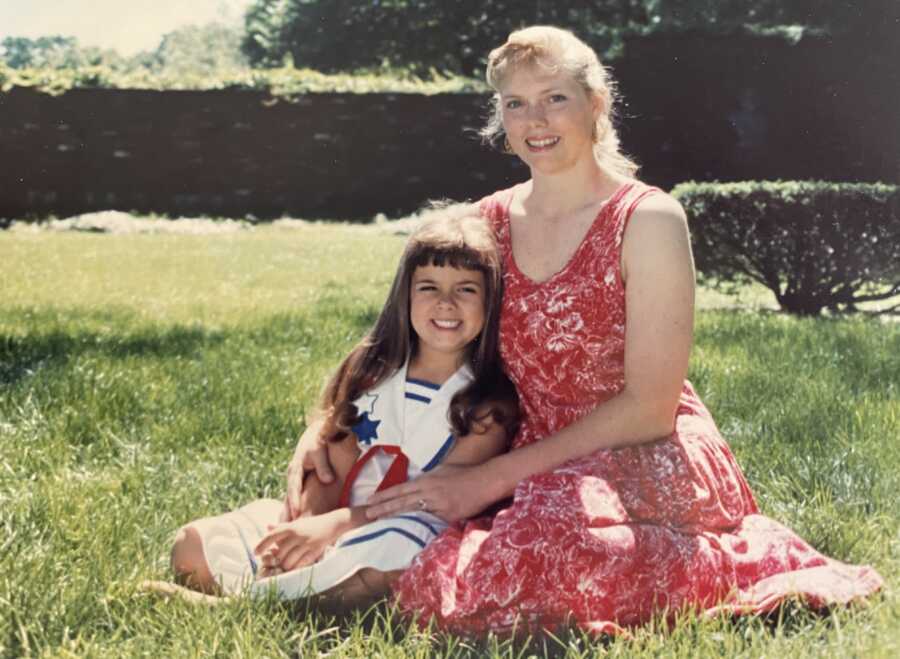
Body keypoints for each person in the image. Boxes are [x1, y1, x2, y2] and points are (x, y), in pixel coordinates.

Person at [287, 25, 883, 634]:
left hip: (641, 451)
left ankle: (288, 605)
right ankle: (301, 586)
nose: (533, 120)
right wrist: (326, 424)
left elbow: (650, 409)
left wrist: (486, 481)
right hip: (516, 448)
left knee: (548, 540)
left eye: (554, 98)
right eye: (514, 103)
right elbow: (407, 332)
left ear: (596, 103)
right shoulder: (485, 220)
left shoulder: (647, 218)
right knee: (483, 528)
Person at [151, 206, 518, 607]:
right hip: (331, 520)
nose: (445, 303)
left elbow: (435, 500)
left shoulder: (486, 404)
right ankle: (284, 588)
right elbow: (330, 461)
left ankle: (243, 607)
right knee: (190, 548)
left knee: (396, 556)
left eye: (465, 289)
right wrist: (306, 530)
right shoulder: (373, 370)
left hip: (399, 534)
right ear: (405, 295)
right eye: (429, 287)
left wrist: (334, 527)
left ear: (490, 300)